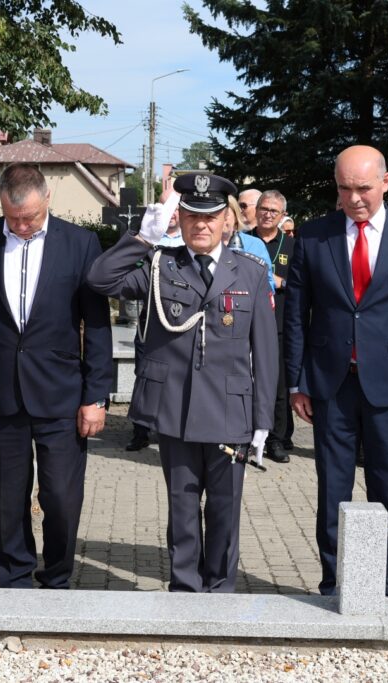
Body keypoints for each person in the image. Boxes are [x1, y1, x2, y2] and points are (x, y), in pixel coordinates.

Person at [87, 173, 277, 593]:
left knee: (225, 510)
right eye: (191, 217)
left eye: (210, 218)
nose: (201, 226)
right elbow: (100, 279)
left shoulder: (248, 272)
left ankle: (221, 590)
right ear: (182, 219)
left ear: (227, 221)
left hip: (231, 412)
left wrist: (263, 420)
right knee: (183, 507)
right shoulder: (161, 265)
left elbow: (265, 351)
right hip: (177, 409)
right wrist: (143, 236)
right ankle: (187, 590)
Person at [284, 145, 388, 597]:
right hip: (329, 384)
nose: (354, 198)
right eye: (344, 188)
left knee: (386, 487)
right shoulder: (314, 236)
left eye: (363, 188)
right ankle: (337, 580)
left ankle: (378, 579)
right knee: (332, 488)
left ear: (386, 182)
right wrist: (296, 381)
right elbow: (297, 314)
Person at [0, 163, 113, 589]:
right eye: (13, 218)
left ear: (47, 201)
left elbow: (96, 326)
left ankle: (57, 575)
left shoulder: (80, 244)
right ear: (1, 204)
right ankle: (16, 579)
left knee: (60, 496)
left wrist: (96, 397)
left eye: (31, 218)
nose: (22, 226)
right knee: (10, 498)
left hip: (62, 395)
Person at [127, 187, 182, 452]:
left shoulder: (189, 241)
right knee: (144, 374)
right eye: (162, 207)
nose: (168, 213)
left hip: (180, 320)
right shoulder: (148, 238)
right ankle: (140, 430)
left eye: (173, 207)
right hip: (150, 318)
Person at [253, 190, 296, 463]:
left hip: (278, 323)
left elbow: (302, 285)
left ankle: (276, 440)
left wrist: (280, 282)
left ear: (282, 216)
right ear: (257, 210)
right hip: (245, 324)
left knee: (278, 386)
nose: (268, 214)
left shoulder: (293, 246)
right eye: (264, 208)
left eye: (274, 211)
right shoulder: (240, 240)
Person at [225, 195, 275, 292]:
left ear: (236, 217)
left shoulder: (255, 244)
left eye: (225, 214)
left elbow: (268, 284)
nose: (220, 218)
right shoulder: (204, 243)